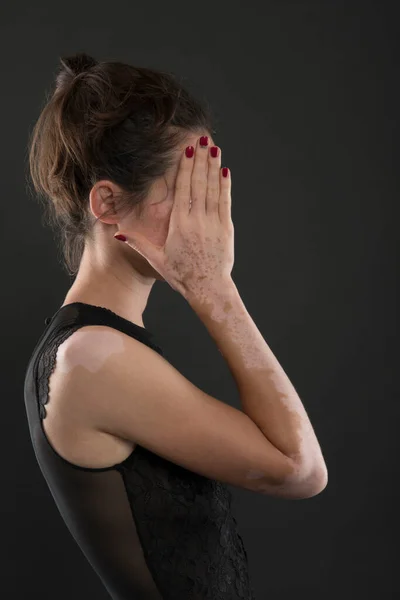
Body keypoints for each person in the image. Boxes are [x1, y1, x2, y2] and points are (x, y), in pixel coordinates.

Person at [24, 52, 328, 600]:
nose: (207, 215)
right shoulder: (91, 359)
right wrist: (213, 287)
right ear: (109, 202)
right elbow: (299, 469)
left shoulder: (100, 344)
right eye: (188, 190)